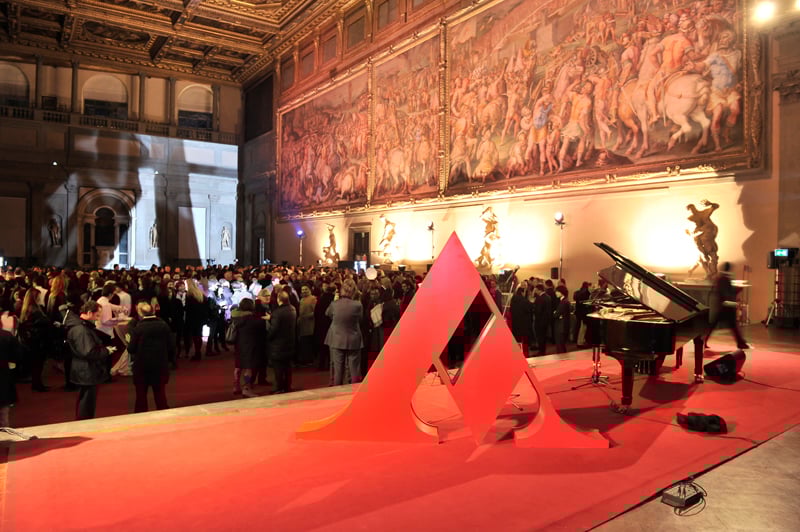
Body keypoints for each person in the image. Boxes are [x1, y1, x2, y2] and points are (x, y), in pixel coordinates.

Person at [64, 300, 115, 420]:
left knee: (85, 399)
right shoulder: (81, 329)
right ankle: (84, 423)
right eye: (97, 315)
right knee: (87, 401)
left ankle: (84, 422)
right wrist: (106, 351)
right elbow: (88, 352)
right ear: (89, 313)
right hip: (86, 370)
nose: (98, 319)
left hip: (83, 368)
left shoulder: (80, 327)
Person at [127, 301, 174, 412]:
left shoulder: (138, 328)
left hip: (142, 366)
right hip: (160, 364)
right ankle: (164, 415)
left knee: (141, 396)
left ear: (140, 313)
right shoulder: (163, 325)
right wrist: (170, 360)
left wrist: (129, 342)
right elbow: (171, 346)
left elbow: (131, 349)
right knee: (160, 394)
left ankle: (141, 416)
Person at [325, 279, 364, 385]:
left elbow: (328, 314)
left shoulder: (334, 304)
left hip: (337, 339)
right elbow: (360, 319)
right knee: (354, 369)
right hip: (353, 339)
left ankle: (337, 391)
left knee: (338, 371)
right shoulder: (358, 305)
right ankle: (355, 391)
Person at [705, 262, 749, 350]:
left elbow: (724, 291)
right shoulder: (724, 279)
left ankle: (704, 340)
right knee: (732, 326)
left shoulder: (721, 278)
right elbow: (726, 292)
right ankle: (740, 343)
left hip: (723, 305)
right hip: (726, 306)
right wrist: (737, 291)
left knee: (715, 324)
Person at [266, 290, 296, 394]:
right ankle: (287, 386)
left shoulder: (277, 312)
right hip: (290, 342)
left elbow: (274, 329)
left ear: (279, 299)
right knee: (287, 367)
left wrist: (268, 337)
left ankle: (279, 388)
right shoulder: (292, 309)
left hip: (278, 344)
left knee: (278, 368)